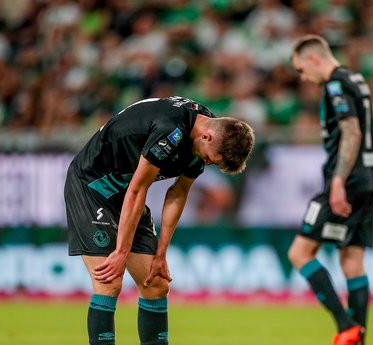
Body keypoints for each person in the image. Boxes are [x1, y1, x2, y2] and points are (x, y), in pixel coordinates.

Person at [64, 96, 254, 345]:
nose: (206, 163)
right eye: (210, 159)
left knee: (156, 284)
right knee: (109, 282)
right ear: (207, 136)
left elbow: (178, 192)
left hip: (126, 191)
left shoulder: (203, 131)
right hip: (93, 187)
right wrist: (121, 251)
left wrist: (161, 253)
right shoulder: (169, 130)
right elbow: (137, 189)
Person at [289, 35, 373, 345]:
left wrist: (338, 181)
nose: (304, 77)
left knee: (299, 252)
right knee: (352, 260)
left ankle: (346, 327)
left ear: (314, 59)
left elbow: (351, 131)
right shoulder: (356, 78)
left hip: (347, 181)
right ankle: (359, 339)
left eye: (302, 69)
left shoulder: (336, 84)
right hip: (367, 180)